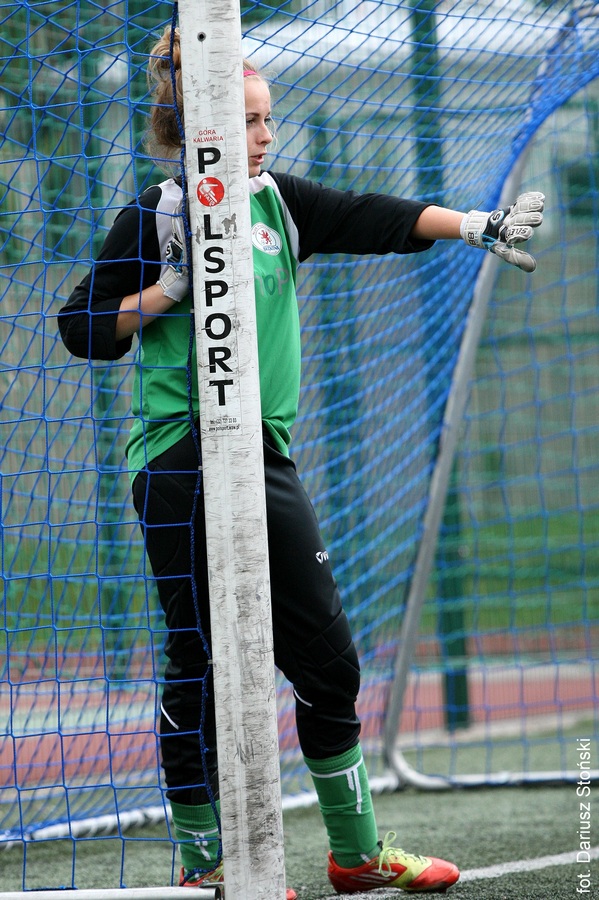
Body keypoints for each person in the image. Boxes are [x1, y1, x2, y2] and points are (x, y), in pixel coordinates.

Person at [58, 25, 544, 896]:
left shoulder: (276, 205)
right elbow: (81, 328)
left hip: (261, 458)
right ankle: (206, 864)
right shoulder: (156, 214)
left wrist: (476, 224)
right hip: (177, 458)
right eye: (247, 122)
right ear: (198, 127)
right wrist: (165, 291)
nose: (264, 136)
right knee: (197, 655)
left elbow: (373, 215)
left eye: (267, 120)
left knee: (327, 662)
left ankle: (354, 856)